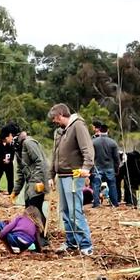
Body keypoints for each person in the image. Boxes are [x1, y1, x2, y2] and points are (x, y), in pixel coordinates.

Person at [47, 103, 95, 256]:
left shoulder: (78, 126)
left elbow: (87, 149)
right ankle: (72, 242)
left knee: (75, 211)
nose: (54, 121)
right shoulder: (59, 132)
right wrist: (51, 175)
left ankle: (86, 244)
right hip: (61, 176)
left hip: (74, 175)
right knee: (65, 211)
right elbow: (55, 154)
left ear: (61, 115)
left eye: (55, 118)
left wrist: (86, 167)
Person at [11, 131, 49, 227]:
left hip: (37, 182)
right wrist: (16, 191)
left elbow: (40, 162)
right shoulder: (17, 148)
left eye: (5, 138)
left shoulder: (29, 143)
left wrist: (37, 181)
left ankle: (41, 234)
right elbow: (20, 172)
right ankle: (34, 233)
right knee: (29, 209)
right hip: (29, 184)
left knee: (35, 209)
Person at [90, 123, 120, 207]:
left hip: (97, 167)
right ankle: (114, 203)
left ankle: (96, 203)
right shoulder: (113, 142)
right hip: (109, 167)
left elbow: (91, 156)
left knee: (96, 185)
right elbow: (116, 158)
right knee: (112, 185)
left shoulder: (94, 142)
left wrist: (90, 169)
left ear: (99, 130)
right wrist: (117, 168)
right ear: (108, 130)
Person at [0, 128, 15, 195]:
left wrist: (9, 160)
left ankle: (10, 191)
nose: (11, 137)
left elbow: (12, 153)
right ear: (6, 137)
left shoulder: (11, 143)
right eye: (10, 136)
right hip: (0, 163)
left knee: (10, 178)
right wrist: (2, 159)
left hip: (9, 163)